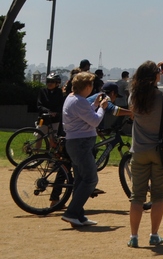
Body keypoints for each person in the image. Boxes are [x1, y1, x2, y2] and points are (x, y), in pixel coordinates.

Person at [126, 61, 163, 247]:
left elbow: (135, 96)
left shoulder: (134, 98)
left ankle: (133, 237)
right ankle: (154, 234)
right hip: (159, 151)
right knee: (158, 196)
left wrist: (154, 74)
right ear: (157, 76)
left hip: (139, 151)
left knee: (137, 196)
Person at [60, 71, 108, 227]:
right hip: (81, 143)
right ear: (87, 86)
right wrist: (102, 108)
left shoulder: (72, 98)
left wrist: (94, 105)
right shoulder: (79, 101)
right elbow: (95, 121)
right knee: (91, 179)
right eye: (91, 85)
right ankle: (72, 212)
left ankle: (78, 215)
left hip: (75, 143)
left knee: (80, 179)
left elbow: (84, 112)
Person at [36, 72, 66, 140]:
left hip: (54, 119)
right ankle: (36, 150)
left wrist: (56, 113)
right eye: (48, 81)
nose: (49, 83)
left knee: (53, 138)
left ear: (57, 83)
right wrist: (48, 111)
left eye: (52, 82)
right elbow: (39, 105)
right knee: (39, 137)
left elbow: (61, 105)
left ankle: (51, 150)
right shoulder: (42, 91)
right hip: (43, 118)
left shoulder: (59, 92)